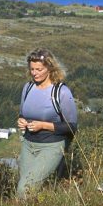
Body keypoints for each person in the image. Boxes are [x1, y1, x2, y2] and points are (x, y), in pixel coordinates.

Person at [16, 48, 77, 197]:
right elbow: (23, 113)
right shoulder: (28, 87)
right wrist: (21, 120)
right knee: (27, 187)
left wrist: (43, 125)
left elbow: (71, 126)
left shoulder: (61, 92)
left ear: (50, 68)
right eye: (32, 69)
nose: (35, 73)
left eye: (39, 69)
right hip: (28, 145)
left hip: (52, 146)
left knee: (25, 189)